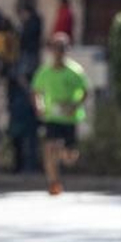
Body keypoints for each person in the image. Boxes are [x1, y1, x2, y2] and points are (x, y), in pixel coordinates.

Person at [32, 32, 88, 195]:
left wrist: (74, 105)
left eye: (62, 49)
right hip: (52, 117)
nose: (58, 52)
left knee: (69, 157)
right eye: (55, 48)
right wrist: (39, 106)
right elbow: (36, 92)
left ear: (66, 50)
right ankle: (53, 182)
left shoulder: (75, 71)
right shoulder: (44, 72)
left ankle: (64, 153)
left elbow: (85, 91)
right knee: (49, 148)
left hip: (69, 118)